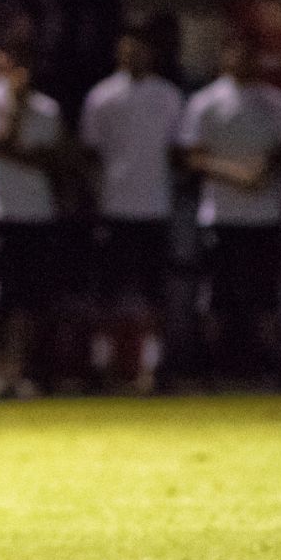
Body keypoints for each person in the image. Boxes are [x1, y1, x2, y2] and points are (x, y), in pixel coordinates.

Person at [179, 34, 281, 384]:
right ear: (224, 57)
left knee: (265, 296)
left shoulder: (273, 101)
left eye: (249, 53)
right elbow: (191, 155)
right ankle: (214, 369)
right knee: (218, 297)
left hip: (265, 216)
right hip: (221, 215)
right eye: (235, 51)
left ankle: (269, 370)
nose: (242, 59)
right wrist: (236, 174)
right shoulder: (205, 102)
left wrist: (263, 171)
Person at [79, 22, 185, 393]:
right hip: (114, 207)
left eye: (139, 49)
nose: (133, 55)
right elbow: (90, 154)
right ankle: (103, 365)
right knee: (107, 293)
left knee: (155, 293)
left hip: (155, 207)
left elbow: (178, 152)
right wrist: (97, 197)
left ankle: (151, 369)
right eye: (126, 49)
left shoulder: (168, 96)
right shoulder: (101, 97)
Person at [0, 36, 65, 398]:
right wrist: (16, 110)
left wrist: (19, 150)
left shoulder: (48, 108)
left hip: (36, 213)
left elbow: (53, 160)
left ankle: (17, 372)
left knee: (28, 300)